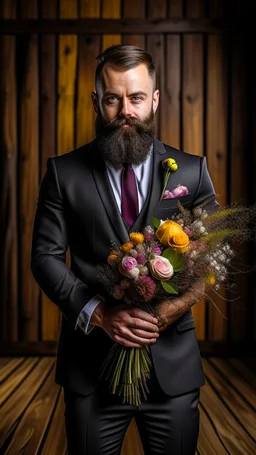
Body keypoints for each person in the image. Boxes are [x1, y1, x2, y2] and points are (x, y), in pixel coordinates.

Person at [31, 45, 219, 455]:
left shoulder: (191, 170)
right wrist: (98, 314)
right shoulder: (64, 173)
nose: (125, 111)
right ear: (97, 102)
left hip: (173, 373)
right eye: (113, 98)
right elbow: (44, 257)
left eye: (135, 98)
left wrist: (173, 308)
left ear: (153, 99)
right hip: (90, 371)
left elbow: (214, 258)